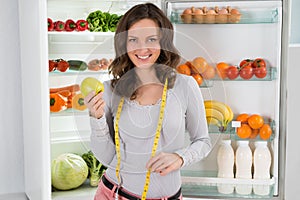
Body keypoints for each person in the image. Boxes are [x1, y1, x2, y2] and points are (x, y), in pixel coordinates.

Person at [84, 3, 211, 200]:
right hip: (114, 194)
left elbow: (203, 141)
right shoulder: (111, 90)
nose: (142, 48)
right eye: (133, 40)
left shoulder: (185, 86)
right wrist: (96, 118)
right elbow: (107, 157)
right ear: (123, 44)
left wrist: (180, 158)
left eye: (151, 39)